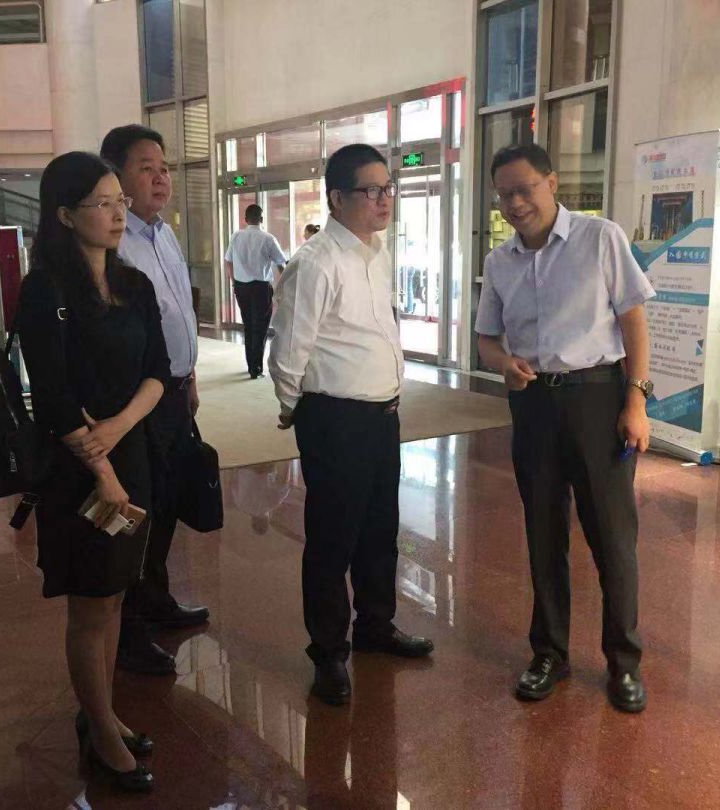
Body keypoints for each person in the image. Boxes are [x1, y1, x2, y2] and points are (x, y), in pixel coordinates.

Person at [475, 144, 656, 713]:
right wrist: (503, 363)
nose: (515, 203)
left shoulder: (599, 238)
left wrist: (636, 401)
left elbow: (634, 322)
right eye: (505, 194)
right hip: (533, 405)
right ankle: (549, 653)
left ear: (551, 183)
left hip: (597, 400)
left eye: (525, 189)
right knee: (543, 534)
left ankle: (623, 662)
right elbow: (486, 339)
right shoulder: (500, 262)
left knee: (612, 537)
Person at [17, 151, 168, 793]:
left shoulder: (134, 285)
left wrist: (119, 429)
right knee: (88, 602)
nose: (117, 213)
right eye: (102, 203)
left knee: (115, 594)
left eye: (118, 201)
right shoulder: (46, 289)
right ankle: (102, 730)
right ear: (64, 215)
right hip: (77, 466)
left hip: (127, 451)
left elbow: (159, 371)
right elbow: (52, 396)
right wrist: (101, 468)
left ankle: (101, 713)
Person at [269, 144, 433, 707]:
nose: (384, 200)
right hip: (335, 419)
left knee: (379, 529)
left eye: (388, 188)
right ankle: (329, 653)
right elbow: (289, 346)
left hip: (382, 414)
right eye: (371, 190)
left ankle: (375, 626)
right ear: (337, 198)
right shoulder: (315, 262)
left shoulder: (376, 251)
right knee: (332, 539)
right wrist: (294, 406)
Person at [99, 124, 210, 676]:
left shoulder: (164, 235)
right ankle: (128, 629)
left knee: (166, 500)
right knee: (135, 513)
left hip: (173, 389)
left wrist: (189, 375)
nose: (161, 177)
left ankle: (157, 598)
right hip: (135, 401)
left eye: (164, 167)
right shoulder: (113, 243)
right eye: (146, 167)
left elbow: (177, 312)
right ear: (115, 177)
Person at [225, 204, 286, 378]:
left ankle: (251, 364)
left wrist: (234, 282)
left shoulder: (236, 236)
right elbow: (281, 263)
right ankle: (256, 368)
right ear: (261, 219)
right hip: (260, 288)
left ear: (245, 219)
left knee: (248, 325)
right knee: (260, 328)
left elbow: (228, 260)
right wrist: (285, 285)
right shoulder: (268, 238)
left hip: (241, 287)